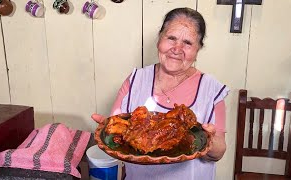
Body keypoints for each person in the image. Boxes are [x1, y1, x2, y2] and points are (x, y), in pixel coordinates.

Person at [92, 7, 229, 180]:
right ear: (159, 39)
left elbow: (218, 153)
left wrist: (209, 141)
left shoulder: (212, 90)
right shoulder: (135, 80)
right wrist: (110, 129)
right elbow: (116, 140)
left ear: (198, 50)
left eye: (188, 43)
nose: (177, 48)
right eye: (171, 38)